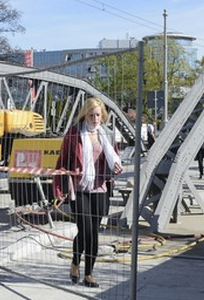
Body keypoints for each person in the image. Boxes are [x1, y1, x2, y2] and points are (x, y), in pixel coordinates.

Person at [53, 97, 123, 288]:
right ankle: (75, 262)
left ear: (103, 116)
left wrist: (116, 168)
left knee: (94, 234)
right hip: (80, 189)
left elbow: (113, 158)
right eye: (91, 115)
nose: (94, 119)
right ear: (85, 114)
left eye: (98, 115)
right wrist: (60, 185)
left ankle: (89, 274)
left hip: (100, 188)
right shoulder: (74, 133)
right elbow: (63, 161)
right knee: (85, 231)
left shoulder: (106, 134)